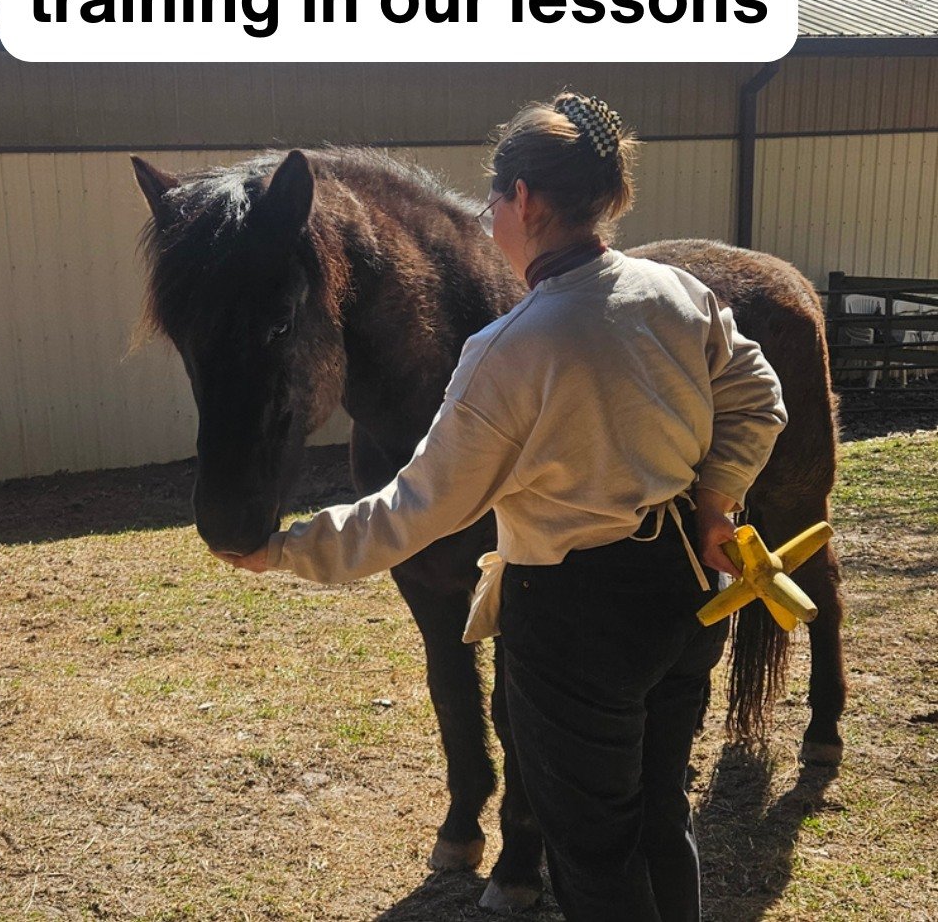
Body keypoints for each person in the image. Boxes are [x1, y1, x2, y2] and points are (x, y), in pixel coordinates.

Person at [216, 91, 788, 922]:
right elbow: (758, 394)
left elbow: (415, 511)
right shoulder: (676, 293)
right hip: (686, 592)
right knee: (663, 815)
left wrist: (283, 551)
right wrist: (715, 503)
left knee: (594, 851)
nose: (489, 216)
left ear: (524, 199)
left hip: (574, 617)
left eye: (494, 198)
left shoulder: (509, 350)